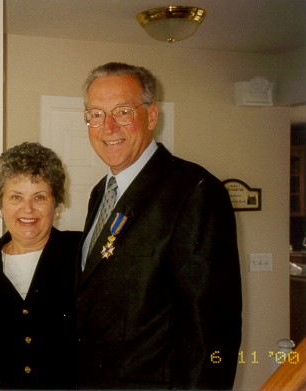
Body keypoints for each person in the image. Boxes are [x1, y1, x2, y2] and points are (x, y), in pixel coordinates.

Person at [76, 62, 242, 390]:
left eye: (122, 111)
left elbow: (211, 334)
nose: (107, 126)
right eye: (95, 114)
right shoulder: (101, 192)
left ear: (152, 116)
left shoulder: (194, 191)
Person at [0, 142, 81, 390]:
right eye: (16, 197)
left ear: (56, 203)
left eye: (39, 197)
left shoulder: (81, 254)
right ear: (1, 205)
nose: (27, 209)